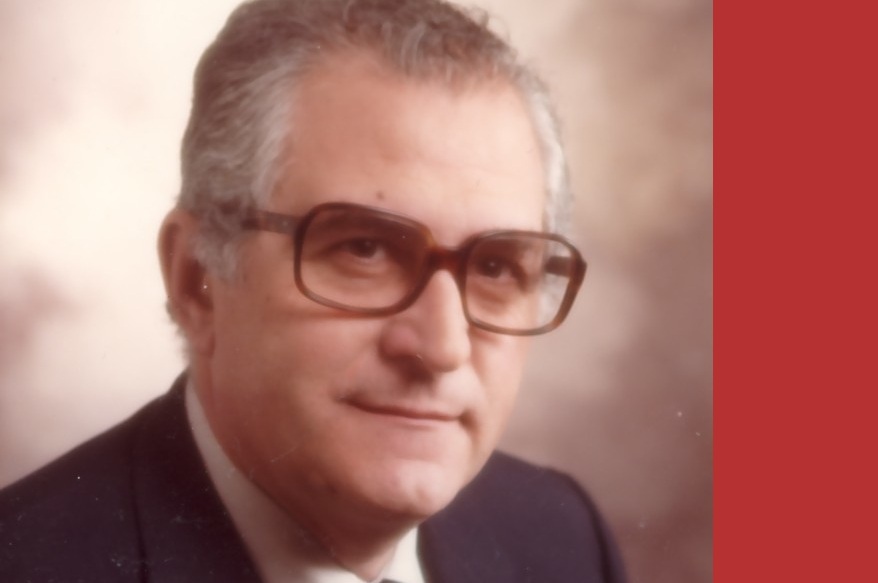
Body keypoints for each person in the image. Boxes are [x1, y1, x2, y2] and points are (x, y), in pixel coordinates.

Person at [0, 0, 626, 581]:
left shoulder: (562, 541)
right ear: (197, 279)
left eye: (495, 268)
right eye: (364, 249)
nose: (441, 348)